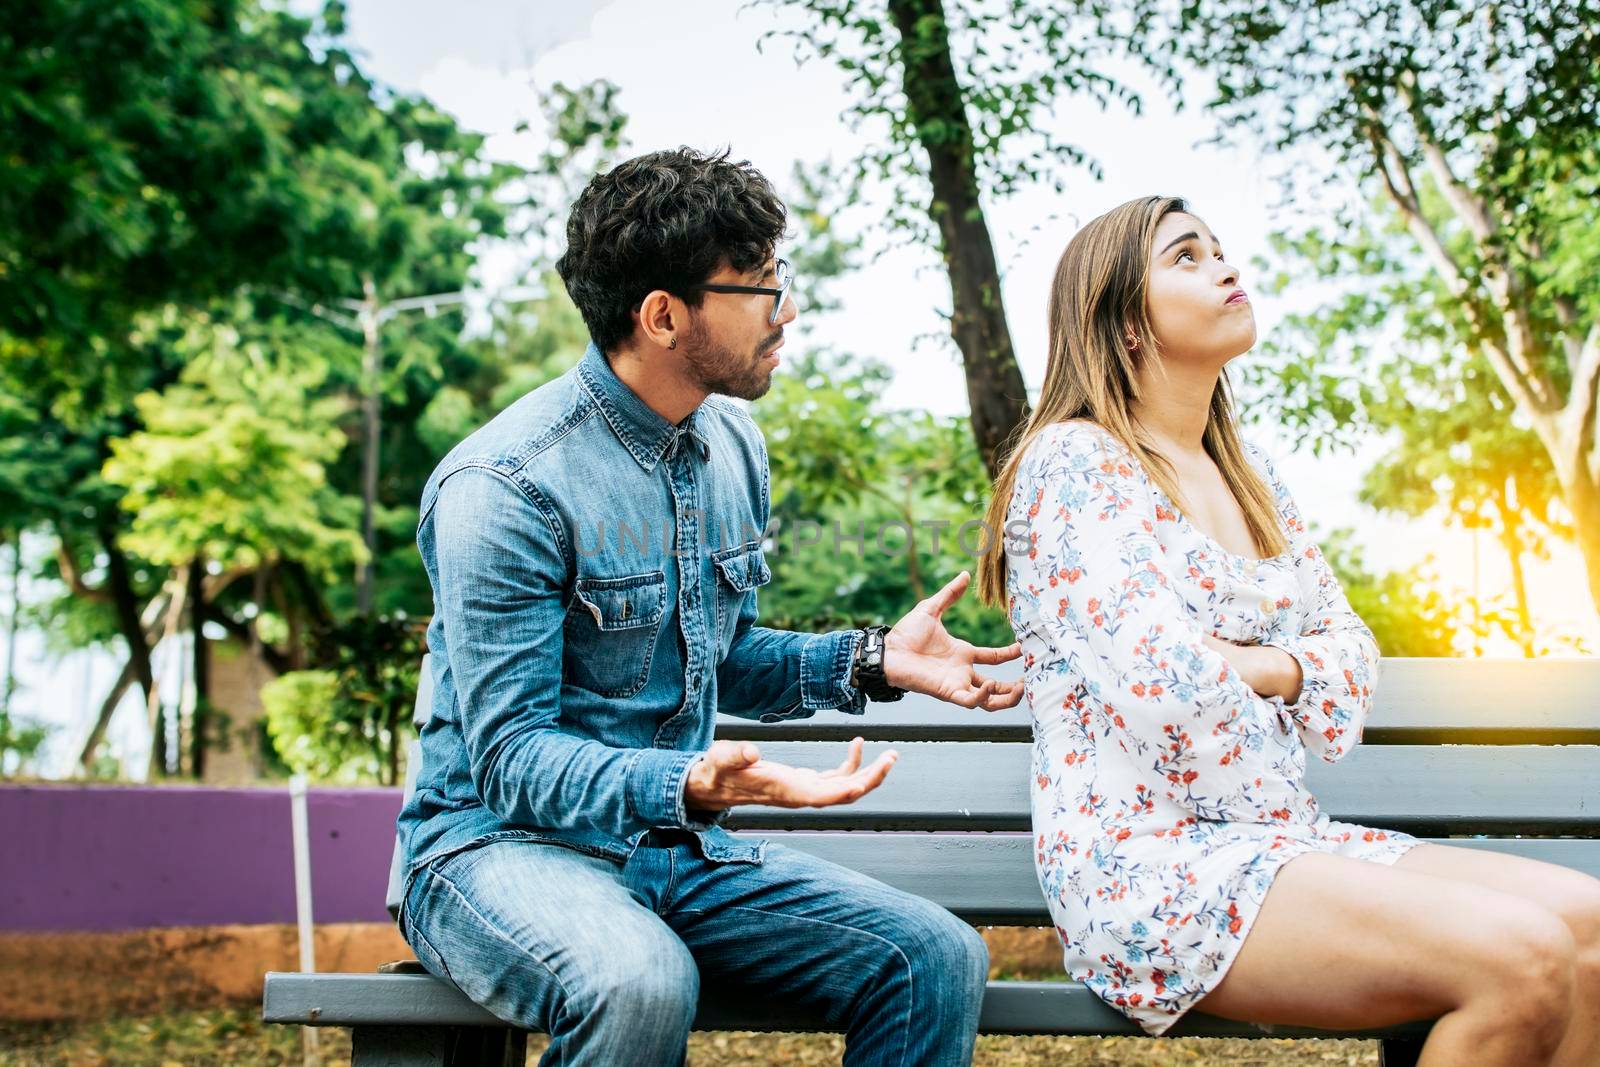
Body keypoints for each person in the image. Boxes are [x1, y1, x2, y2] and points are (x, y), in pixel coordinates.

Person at [397, 146, 1026, 1067]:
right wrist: (684, 783)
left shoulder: (731, 443)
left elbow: (718, 653)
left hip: (672, 850)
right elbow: (510, 763)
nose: (788, 309)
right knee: (641, 982)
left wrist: (874, 660)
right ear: (662, 316)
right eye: (761, 289)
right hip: (492, 851)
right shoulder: (507, 487)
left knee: (930, 957)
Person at [975, 195, 1600, 1064]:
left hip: (1287, 840)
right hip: (1151, 871)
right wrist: (1281, 667)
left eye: (1220, 249)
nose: (1226, 267)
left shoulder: (1248, 469)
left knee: (1591, 933)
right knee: (1522, 959)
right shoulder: (1075, 465)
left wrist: (1268, 667)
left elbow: (1349, 655)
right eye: (1186, 256)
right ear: (1120, 322)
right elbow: (1166, 686)